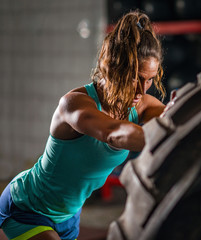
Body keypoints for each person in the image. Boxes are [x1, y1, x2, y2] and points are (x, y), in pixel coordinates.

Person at [0, 10, 166, 240]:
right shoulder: (74, 103)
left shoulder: (143, 106)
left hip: (69, 216)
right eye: (134, 78)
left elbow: (173, 119)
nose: (141, 90)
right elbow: (112, 132)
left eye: (149, 80)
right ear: (114, 66)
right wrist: (168, 134)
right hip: (28, 206)